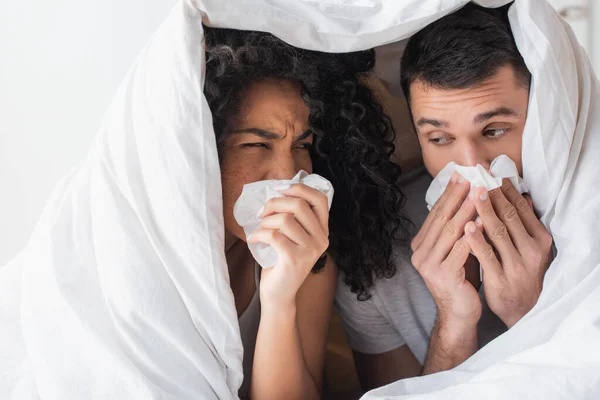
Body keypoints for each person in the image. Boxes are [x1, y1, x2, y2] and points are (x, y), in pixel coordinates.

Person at [334, 2, 553, 392]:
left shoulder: (585, 222)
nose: (473, 165)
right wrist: (453, 322)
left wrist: (530, 315)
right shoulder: (378, 258)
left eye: (495, 130)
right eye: (440, 139)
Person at [203, 27, 410, 399]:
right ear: (204, 151)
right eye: (255, 144)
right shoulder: (155, 263)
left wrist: (279, 299)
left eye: (302, 145)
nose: (288, 174)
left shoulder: (307, 252)